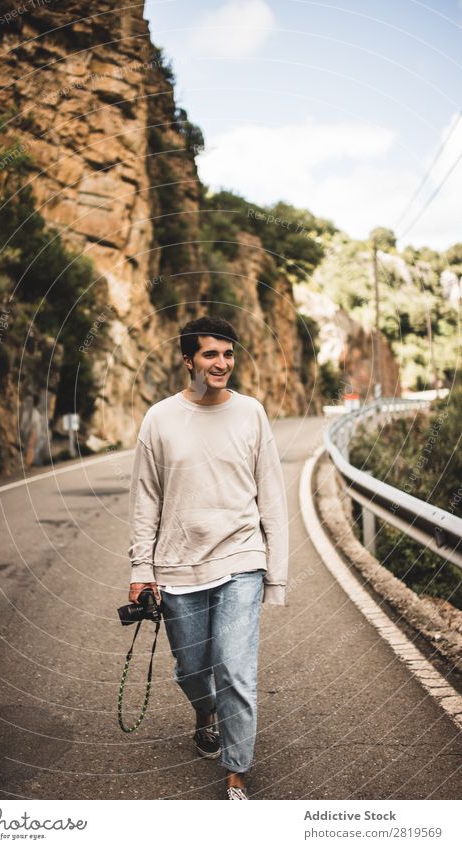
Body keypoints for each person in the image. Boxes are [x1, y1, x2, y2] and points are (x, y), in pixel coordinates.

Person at [127, 315, 288, 800]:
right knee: (193, 670)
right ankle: (204, 710)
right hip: (178, 566)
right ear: (188, 361)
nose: (221, 363)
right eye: (210, 354)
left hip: (242, 557)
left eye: (228, 353)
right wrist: (142, 569)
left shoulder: (251, 413)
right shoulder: (159, 418)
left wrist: (274, 576)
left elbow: (272, 497)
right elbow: (145, 499)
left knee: (235, 668)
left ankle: (236, 772)